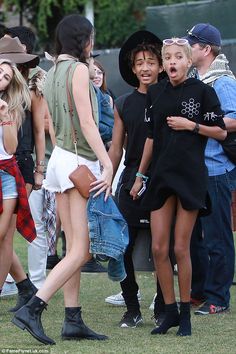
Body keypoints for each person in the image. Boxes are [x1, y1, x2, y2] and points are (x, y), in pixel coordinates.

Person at [12, 13, 113, 345]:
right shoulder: (80, 70)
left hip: (61, 161)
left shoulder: (52, 71)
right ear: (84, 41)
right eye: (91, 39)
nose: (93, 45)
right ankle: (34, 307)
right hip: (79, 160)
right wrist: (106, 163)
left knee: (73, 247)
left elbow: (52, 124)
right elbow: (87, 122)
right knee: (81, 250)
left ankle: (73, 319)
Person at [130, 38, 226, 336]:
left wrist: (192, 126)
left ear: (187, 62)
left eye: (177, 57)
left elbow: (221, 132)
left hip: (190, 178)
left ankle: (185, 313)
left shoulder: (204, 92)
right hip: (160, 178)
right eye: (167, 57)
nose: (171, 62)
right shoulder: (155, 93)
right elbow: (150, 138)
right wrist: (139, 176)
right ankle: (169, 312)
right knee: (159, 248)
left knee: (180, 247)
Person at [107, 30, 166, 328]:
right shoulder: (123, 103)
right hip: (129, 181)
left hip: (162, 182)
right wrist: (108, 177)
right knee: (122, 249)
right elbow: (116, 147)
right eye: (140, 62)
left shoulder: (169, 99)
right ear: (133, 68)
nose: (145, 67)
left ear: (161, 66)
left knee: (161, 248)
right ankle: (132, 307)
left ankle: (161, 306)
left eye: (151, 62)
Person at [185, 23, 236, 315]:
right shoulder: (197, 79)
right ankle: (201, 290)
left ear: (205, 49)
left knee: (217, 237)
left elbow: (234, 119)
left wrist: (201, 124)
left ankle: (218, 297)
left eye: (191, 44)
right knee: (194, 237)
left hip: (217, 169)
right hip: (196, 169)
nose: (187, 49)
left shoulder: (223, 82)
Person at [0, 32, 46, 309]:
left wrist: (40, 170)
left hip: (19, 165)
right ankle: (25, 286)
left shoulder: (29, 92)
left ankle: (27, 286)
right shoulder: (16, 89)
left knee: (6, 235)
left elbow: (40, 133)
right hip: (11, 163)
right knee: (4, 236)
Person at [0, 59, 35, 296]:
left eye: (6, 77)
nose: (1, 79)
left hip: (6, 174)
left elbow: (11, 147)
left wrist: (5, 116)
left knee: (3, 237)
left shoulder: (10, 108)